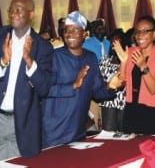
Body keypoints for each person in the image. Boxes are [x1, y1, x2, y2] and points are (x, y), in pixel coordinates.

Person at [0, 0, 53, 164]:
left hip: (22, 124)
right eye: (11, 9)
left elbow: (44, 89)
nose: (13, 14)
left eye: (19, 9)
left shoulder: (43, 47)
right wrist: (2, 61)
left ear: (31, 14)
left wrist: (30, 62)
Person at [42, 11, 121, 148]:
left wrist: (110, 86)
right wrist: (72, 85)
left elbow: (97, 92)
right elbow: (44, 89)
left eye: (75, 30)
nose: (70, 34)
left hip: (78, 131)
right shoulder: (54, 57)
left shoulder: (90, 58)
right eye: (67, 30)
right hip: (53, 131)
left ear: (85, 34)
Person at [113, 15, 155, 136]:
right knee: (130, 149)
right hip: (130, 110)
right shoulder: (131, 52)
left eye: (145, 31)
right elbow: (120, 83)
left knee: (149, 149)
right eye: (137, 31)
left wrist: (143, 66)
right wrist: (123, 61)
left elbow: (154, 89)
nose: (139, 35)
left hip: (150, 112)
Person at [98, 28, 126, 132]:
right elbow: (99, 79)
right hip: (108, 100)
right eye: (113, 42)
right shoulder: (105, 60)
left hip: (123, 101)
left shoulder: (126, 60)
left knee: (124, 132)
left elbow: (123, 81)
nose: (115, 45)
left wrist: (123, 62)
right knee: (109, 133)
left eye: (118, 41)